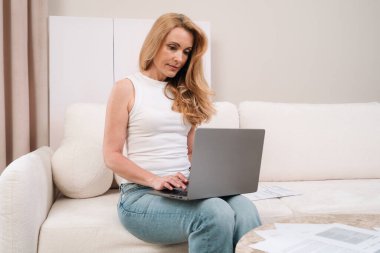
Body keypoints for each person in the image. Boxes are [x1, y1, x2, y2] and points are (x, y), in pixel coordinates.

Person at [103, 13, 261, 253]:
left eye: (186, 52)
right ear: (155, 43)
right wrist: (155, 179)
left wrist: (215, 179)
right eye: (173, 47)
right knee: (215, 213)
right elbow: (111, 155)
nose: (179, 58)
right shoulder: (127, 87)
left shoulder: (183, 93)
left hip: (183, 189)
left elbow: (190, 152)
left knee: (245, 208)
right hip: (141, 195)